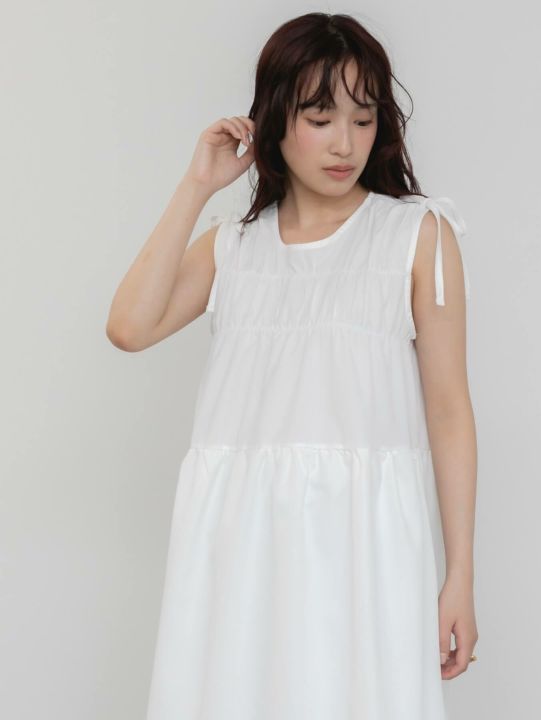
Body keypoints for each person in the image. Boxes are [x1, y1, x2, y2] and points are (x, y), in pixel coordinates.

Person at [107, 11, 478, 719]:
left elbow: (450, 411)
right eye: (320, 117)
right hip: (239, 544)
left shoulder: (416, 236)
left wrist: (459, 573)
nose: (345, 143)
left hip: (365, 548)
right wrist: (197, 185)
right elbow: (129, 327)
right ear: (275, 117)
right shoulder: (234, 247)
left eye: (363, 119)